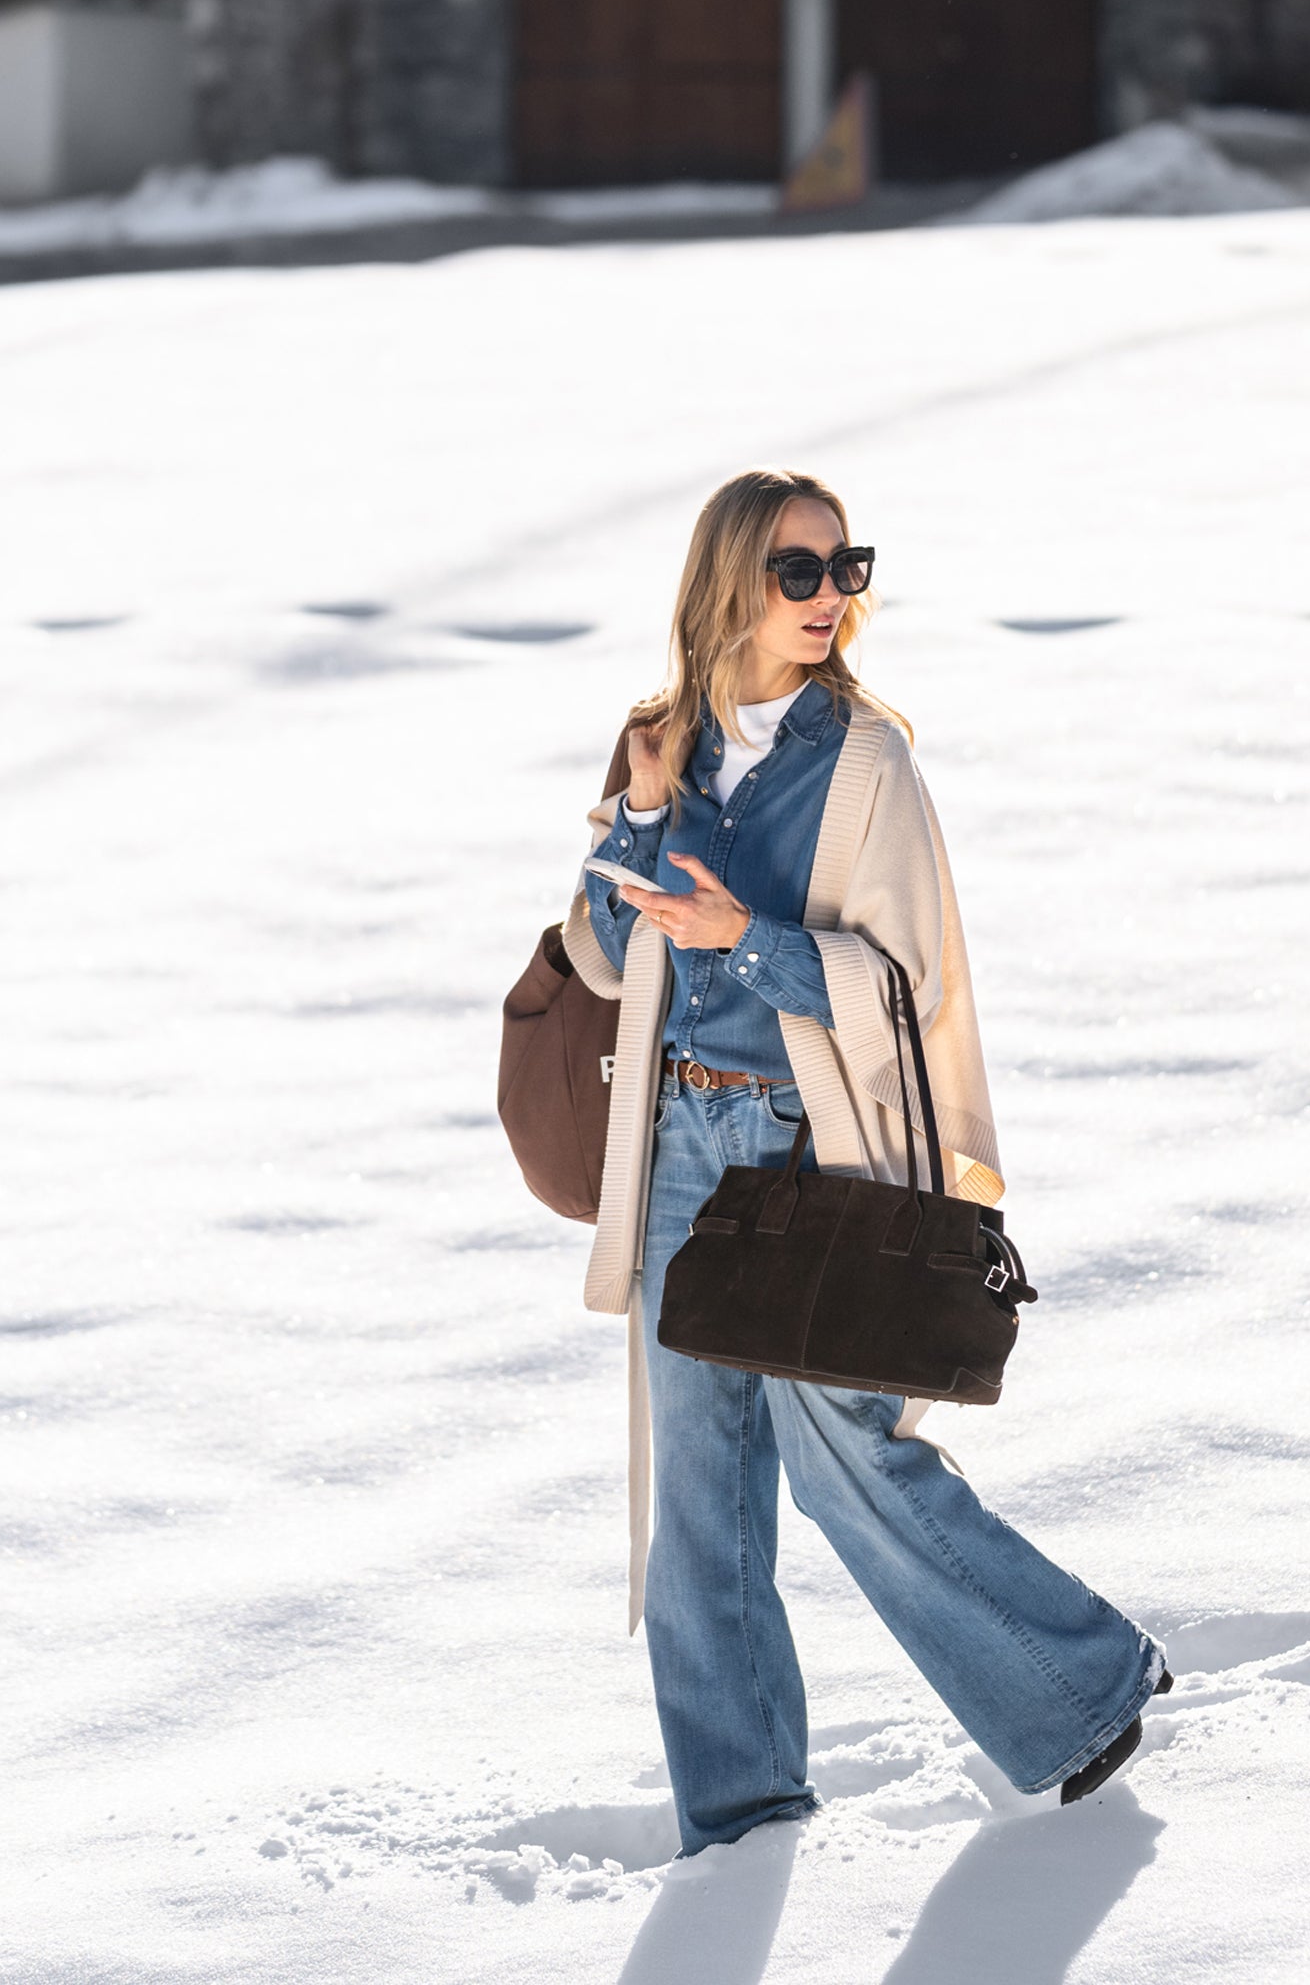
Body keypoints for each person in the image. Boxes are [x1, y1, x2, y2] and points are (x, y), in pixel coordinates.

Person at [558, 468, 1168, 1859]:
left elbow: (910, 980)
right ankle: (743, 1815)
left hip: (804, 1151)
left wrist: (747, 944)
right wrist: (642, 821)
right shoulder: (664, 742)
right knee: (701, 1503)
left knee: (846, 1464)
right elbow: (599, 952)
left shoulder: (868, 763)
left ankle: (1084, 1692)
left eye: (848, 569)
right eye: (801, 572)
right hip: (677, 1148)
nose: (834, 597)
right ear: (729, 583)